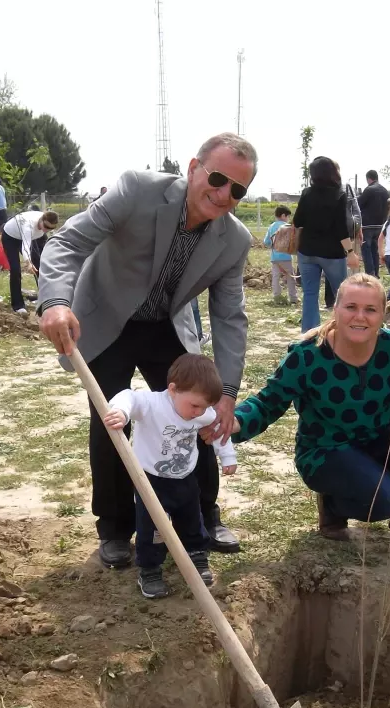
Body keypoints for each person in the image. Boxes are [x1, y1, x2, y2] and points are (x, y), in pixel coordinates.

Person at [38, 132, 255, 567]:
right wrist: (56, 303)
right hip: (106, 319)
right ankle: (116, 528)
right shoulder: (138, 190)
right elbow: (67, 243)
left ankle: (203, 515)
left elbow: (229, 317)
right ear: (194, 167)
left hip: (163, 325)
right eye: (217, 178)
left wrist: (227, 393)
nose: (224, 193)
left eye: (238, 189)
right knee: (112, 421)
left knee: (197, 413)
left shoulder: (234, 240)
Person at [232, 272, 390, 562]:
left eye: (370, 310)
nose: (360, 317)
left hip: (378, 441)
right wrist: (234, 422)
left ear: (383, 314)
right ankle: (333, 505)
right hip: (325, 451)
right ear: (336, 309)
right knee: (385, 500)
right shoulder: (307, 356)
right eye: (351, 307)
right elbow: (267, 402)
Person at [103, 354, 238, 598]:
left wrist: (227, 456)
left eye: (204, 407)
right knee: (152, 526)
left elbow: (217, 429)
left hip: (185, 477)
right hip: (151, 481)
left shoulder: (201, 412)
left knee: (191, 518)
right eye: (195, 406)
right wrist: (121, 412)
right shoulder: (152, 404)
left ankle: (197, 554)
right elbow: (128, 396)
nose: (199, 413)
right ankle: (150, 569)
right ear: (173, 389)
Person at [294, 156, 359, 333]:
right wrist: (351, 252)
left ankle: (309, 335)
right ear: (333, 172)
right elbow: (341, 229)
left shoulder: (306, 193)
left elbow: (297, 220)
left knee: (309, 295)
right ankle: (341, 331)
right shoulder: (339, 195)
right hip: (331, 254)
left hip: (306, 251)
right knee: (342, 294)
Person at [2, 209, 59, 316]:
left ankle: (46, 300)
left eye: (51, 228)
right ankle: (18, 305)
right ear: (41, 220)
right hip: (10, 237)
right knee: (15, 269)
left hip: (32, 236)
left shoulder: (45, 225)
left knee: (41, 265)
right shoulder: (28, 226)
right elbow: (25, 247)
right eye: (46, 227)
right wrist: (28, 263)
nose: (47, 230)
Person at [358, 169, 390, 278]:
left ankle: (370, 274)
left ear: (368, 179)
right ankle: (376, 273)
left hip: (367, 225)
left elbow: (359, 204)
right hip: (380, 225)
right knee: (374, 250)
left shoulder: (369, 190)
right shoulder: (385, 191)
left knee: (366, 250)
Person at [263, 205, 297, 305]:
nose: (288, 219)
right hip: (286, 257)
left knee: (275, 277)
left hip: (274, 258)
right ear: (283, 215)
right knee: (290, 277)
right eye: (288, 217)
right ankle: (293, 298)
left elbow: (266, 242)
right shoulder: (288, 227)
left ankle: (277, 297)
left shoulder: (271, 226)